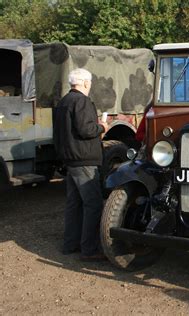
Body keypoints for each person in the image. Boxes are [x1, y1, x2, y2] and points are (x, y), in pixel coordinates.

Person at [53, 68, 108, 261]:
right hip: (85, 159)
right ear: (85, 83)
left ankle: (70, 245)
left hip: (70, 160)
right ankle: (90, 249)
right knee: (93, 204)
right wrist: (102, 127)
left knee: (74, 204)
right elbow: (86, 130)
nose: (90, 85)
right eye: (90, 82)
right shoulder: (82, 101)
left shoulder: (63, 102)